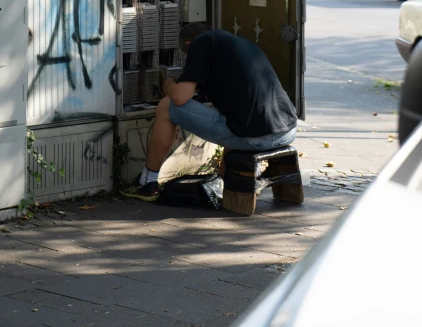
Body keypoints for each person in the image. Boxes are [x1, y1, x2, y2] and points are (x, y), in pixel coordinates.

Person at [120, 23, 298, 201]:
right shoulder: (242, 44)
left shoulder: (200, 44)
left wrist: (169, 84)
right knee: (238, 114)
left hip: (254, 140)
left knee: (167, 106)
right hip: (288, 131)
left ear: (188, 45)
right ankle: (245, 176)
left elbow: (180, 98)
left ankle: (147, 182)